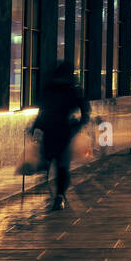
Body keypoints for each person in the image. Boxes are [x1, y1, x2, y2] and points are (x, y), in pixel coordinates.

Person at [30, 62, 91, 211]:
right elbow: (85, 110)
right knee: (62, 165)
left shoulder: (49, 88)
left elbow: (42, 110)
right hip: (64, 131)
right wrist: (78, 124)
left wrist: (35, 126)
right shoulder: (73, 90)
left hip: (49, 129)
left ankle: (46, 174)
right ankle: (60, 195)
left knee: (48, 157)